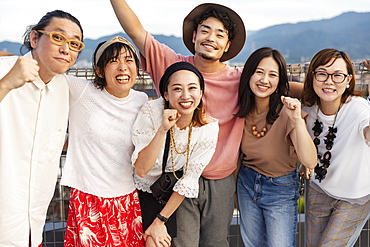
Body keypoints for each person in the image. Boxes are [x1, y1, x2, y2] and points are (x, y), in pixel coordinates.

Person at [110, 2, 303, 245]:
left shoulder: (240, 80)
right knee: (182, 242)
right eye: (205, 30)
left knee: (216, 242)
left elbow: (281, 87)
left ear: (228, 45)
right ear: (194, 36)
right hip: (177, 177)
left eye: (219, 34)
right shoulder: (173, 66)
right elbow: (136, 31)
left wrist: (332, 90)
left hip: (220, 179)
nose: (211, 38)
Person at [0, 10, 84, 247]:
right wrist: (6, 83)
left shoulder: (66, 88)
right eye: (58, 37)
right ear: (35, 39)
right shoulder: (3, 70)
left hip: (32, 226)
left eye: (74, 44)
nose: (66, 49)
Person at [61, 36, 147, 246]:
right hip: (87, 195)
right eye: (113, 61)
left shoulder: (142, 101)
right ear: (99, 71)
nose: (122, 67)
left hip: (127, 197)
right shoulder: (82, 91)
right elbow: (43, 70)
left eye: (129, 60)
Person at [235, 47, 317, 247]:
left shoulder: (287, 111)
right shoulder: (241, 108)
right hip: (246, 182)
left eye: (272, 75)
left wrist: (297, 120)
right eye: (259, 72)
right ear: (249, 74)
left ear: (280, 81)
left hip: (280, 188)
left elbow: (309, 160)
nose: (264, 80)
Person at [131, 61, 218, 247]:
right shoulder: (152, 112)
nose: (186, 96)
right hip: (141, 191)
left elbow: (188, 180)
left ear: (201, 93)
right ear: (166, 95)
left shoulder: (208, 129)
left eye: (192, 88)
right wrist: (162, 129)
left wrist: (159, 221)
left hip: (171, 193)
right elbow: (141, 169)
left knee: (159, 240)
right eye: (177, 89)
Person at [301, 49, 370, 246]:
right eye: (322, 73)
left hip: (354, 197)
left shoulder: (358, 107)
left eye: (338, 75)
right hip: (319, 189)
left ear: (348, 80)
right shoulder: (307, 108)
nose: (329, 81)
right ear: (312, 76)